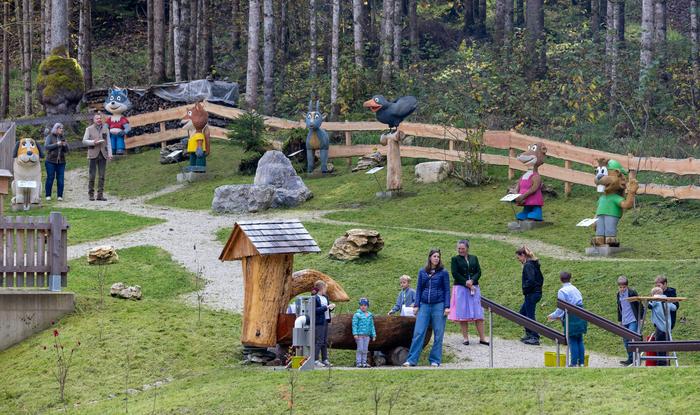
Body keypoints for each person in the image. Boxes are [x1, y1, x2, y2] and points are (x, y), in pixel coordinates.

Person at [403, 249, 450, 367]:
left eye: (438, 257)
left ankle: (435, 360)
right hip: (424, 305)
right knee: (419, 332)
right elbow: (419, 289)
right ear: (430, 257)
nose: (436, 258)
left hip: (439, 305)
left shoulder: (443, 272)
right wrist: (417, 304)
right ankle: (411, 360)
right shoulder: (422, 272)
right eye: (434, 256)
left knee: (438, 333)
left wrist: (447, 306)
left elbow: (447, 290)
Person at [449, 240, 489, 346]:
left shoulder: (474, 258)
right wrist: (466, 282)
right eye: (459, 248)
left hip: (474, 288)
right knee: (463, 314)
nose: (461, 250)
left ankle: (482, 338)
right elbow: (455, 273)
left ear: (467, 248)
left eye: (462, 248)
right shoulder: (455, 259)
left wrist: (472, 281)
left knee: (478, 313)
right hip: (461, 288)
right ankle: (465, 338)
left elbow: (478, 271)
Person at [547, 272, 587, 367]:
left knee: (572, 339)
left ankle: (573, 363)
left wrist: (553, 316)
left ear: (560, 279)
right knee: (579, 339)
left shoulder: (562, 291)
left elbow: (561, 308)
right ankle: (581, 363)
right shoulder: (575, 289)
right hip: (581, 313)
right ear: (570, 278)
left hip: (572, 315)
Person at [516, 246, 544, 345]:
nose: (518, 260)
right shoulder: (534, 264)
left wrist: (525, 289)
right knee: (523, 313)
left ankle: (535, 337)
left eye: (518, 257)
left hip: (531, 293)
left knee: (530, 316)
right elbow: (541, 278)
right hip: (535, 292)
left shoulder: (528, 265)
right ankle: (529, 334)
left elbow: (531, 280)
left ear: (523, 255)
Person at [82, 113, 113, 201]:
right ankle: (91, 194)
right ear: (94, 120)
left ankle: (100, 195)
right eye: (97, 118)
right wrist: (92, 142)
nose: (99, 120)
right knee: (92, 175)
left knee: (102, 175)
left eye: (100, 118)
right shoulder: (89, 129)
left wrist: (110, 153)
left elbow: (109, 142)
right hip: (93, 154)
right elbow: (84, 141)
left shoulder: (105, 128)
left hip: (103, 154)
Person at [616, 276, 643, 365]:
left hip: (633, 319)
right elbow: (619, 308)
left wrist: (641, 317)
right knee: (625, 340)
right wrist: (620, 320)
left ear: (627, 286)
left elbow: (639, 305)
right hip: (624, 320)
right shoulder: (618, 294)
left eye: (624, 287)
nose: (622, 289)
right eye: (620, 287)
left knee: (632, 338)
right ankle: (630, 358)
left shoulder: (632, 293)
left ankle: (636, 358)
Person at [649, 286, 677, 366]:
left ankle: (661, 363)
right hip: (667, 327)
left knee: (659, 345)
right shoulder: (666, 300)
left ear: (654, 295)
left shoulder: (655, 300)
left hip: (659, 326)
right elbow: (674, 308)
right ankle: (665, 362)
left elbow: (649, 306)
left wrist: (649, 301)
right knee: (665, 346)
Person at [44, 123, 69, 201]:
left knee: (60, 179)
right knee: (50, 178)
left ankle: (60, 196)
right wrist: (57, 144)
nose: (61, 130)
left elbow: (67, 151)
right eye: (60, 128)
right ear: (56, 129)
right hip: (50, 161)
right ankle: (48, 195)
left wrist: (65, 145)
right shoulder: (50, 137)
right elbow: (46, 147)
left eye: (62, 128)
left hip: (61, 162)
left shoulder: (63, 138)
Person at [314, 280, 335, 368]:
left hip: (326, 320)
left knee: (325, 341)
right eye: (325, 288)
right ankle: (315, 360)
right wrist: (326, 307)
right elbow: (316, 310)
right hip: (319, 322)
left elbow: (326, 309)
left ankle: (325, 359)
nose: (326, 290)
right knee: (319, 341)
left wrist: (331, 308)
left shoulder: (325, 297)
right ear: (321, 288)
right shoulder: (315, 298)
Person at [353, 297, 377, 368]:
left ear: (367, 306)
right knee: (360, 348)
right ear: (359, 306)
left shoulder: (369, 315)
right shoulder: (357, 315)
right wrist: (355, 334)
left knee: (365, 349)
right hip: (360, 335)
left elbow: (372, 325)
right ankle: (358, 362)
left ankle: (364, 362)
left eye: (365, 305)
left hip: (367, 335)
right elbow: (354, 325)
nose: (363, 307)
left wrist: (374, 335)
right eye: (361, 305)